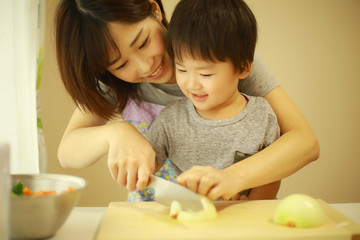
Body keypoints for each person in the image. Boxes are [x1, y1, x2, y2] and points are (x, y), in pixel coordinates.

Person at [54, 0, 319, 199]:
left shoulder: (220, 56)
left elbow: (304, 142)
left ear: (154, 9)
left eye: (143, 42)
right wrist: (116, 133)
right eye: (121, 63)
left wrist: (228, 179)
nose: (145, 66)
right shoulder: (117, 83)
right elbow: (67, 152)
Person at [143, 0, 280, 200]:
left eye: (205, 75)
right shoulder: (170, 120)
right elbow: (147, 163)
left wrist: (252, 203)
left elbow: (272, 174)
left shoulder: (262, 115)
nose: (192, 84)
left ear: (242, 68)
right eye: (181, 69)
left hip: (248, 220)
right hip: (195, 221)